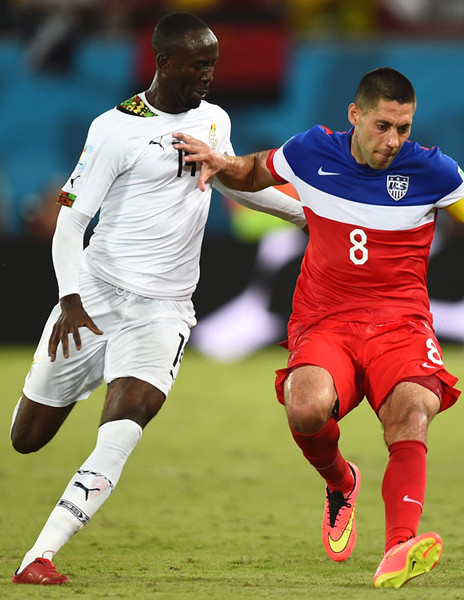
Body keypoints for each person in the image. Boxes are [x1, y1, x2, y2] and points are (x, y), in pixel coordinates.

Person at [172, 67, 464, 588]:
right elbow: (254, 170)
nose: (393, 140)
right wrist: (222, 163)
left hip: (400, 322)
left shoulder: (434, 171)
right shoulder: (311, 152)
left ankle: (400, 546)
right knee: (305, 408)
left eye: (403, 127)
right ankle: (340, 480)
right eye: (382, 126)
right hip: (325, 319)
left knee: (412, 410)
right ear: (354, 115)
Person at [10, 12, 306, 586]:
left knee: (126, 420)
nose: (208, 76)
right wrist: (71, 299)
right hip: (93, 300)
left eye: (213, 64)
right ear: (164, 62)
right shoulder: (113, 130)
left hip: (162, 310)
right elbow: (72, 225)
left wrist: (306, 218)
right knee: (27, 439)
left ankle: (39, 557)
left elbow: (227, 181)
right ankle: (91, 372)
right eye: (198, 64)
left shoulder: (214, 120)